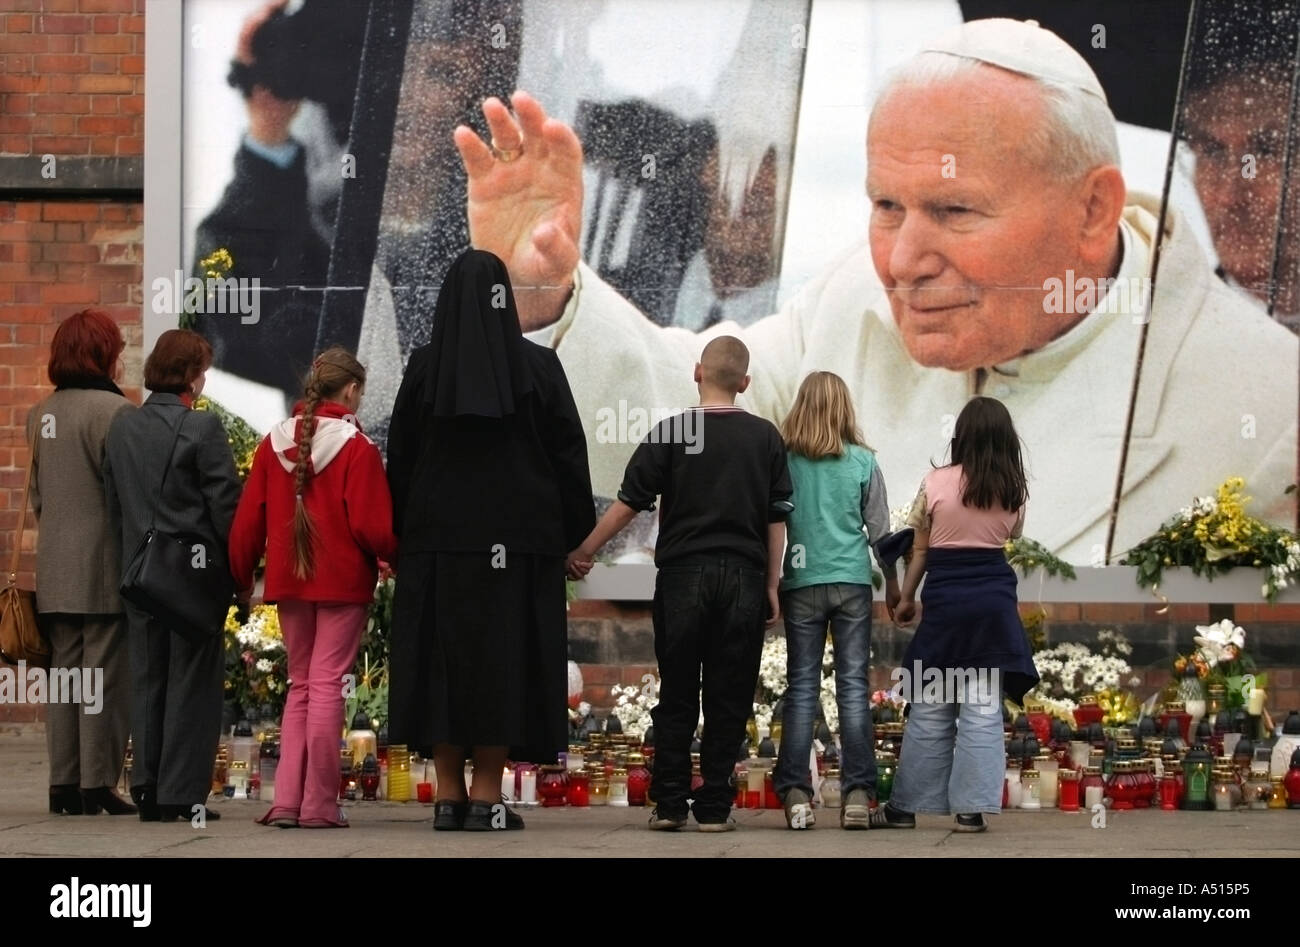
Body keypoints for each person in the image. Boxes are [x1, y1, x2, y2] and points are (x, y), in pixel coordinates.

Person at [451, 18, 1298, 564]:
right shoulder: (852, 300)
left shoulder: (1266, 401)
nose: (904, 260)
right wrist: (545, 298)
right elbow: (687, 413)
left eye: (955, 210)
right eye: (886, 206)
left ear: (1092, 209)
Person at [385, 249, 595, 832]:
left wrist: (403, 535)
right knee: (505, 663)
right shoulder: (539, 368)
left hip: (438, 547)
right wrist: (574, 536)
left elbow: (398, 460)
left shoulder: (424, 369)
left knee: (443, 667)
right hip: (518, 551)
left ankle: (448, 797)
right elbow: (568, 459)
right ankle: (486, 797)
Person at [567, 336, 794, 831]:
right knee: (728, 695)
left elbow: (628, 503)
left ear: (697, 371)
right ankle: (714, 808)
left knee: (678, 694)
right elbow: (777, 521)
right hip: (743, 578)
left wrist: (584, 551)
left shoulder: (673, 432)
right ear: (746, 383)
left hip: (682, 577)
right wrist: (773, 585)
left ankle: (669, 804)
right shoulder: (765, 438)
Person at [229, 347, 397, 829]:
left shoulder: (271, 443)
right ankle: (320, 805)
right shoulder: (357, 447)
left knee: (301, 686)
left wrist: (242, 579)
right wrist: (396, 557)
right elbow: (373, 527)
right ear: (350, 390)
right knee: (327, 689)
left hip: (290, 582)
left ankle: (286, 801)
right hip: (343, 584)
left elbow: (246, 526)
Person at [870, 396, 1038, 833]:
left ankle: (904, 808)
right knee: (982, 708)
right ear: (1006, 440)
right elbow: (1011, 535)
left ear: (959, 436)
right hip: (993, 606)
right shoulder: (1015, 489)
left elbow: (921, 549)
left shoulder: (935, 482)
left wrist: (906, 598)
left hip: (946, 603)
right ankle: (971, 810)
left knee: (929, 706)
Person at [103, 329, 242, 822]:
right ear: (189, 377)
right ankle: (180, 792)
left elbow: (113, 505)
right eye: (202, 369)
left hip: (140, 574)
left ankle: (146, 786)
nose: (204, 379)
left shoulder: (122, 427)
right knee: (192, 684)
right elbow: (227, 510)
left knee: (147, 679)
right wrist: (242, 574)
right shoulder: (201, 430)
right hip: (191, 577)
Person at [771, 371, 898, 830]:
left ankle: (797, 795)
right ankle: (860, 794)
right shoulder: (864, 461)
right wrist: (898, 589)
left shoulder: (783, 461)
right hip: (851, 584)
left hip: (801, 583)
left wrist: (772, 582)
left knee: (801, 688)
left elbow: (772, 524)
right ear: (846, 409)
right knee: (852, 688)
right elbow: (882, 534)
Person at [26, 309, 136, 816]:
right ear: (104, 354)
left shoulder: (40, 413)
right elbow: (124, 499)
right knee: (104, 676)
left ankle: (63, 783)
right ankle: (97, 782)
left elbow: (39, 498)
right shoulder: (115, 414)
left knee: (65, 676)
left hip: (54, 565)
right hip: (104, 566)